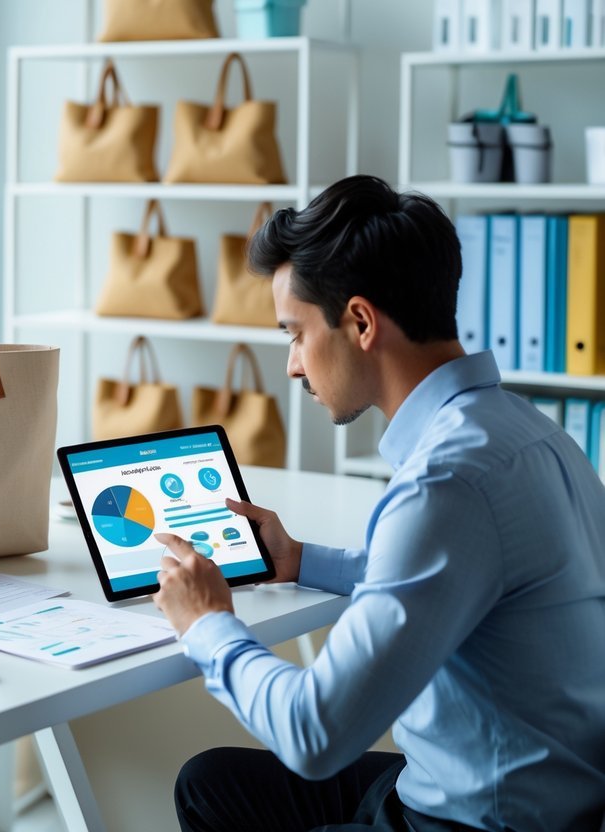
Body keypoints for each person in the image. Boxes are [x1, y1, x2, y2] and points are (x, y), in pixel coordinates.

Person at [152, 175, 605, 831]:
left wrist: (206, 624)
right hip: (536, 791)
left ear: (360, 322)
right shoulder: (527, 433)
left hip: (477, 821)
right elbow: (458, 577)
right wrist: (303, 560)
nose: (292, 367)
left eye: (294, 333)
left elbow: (314, 735)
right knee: (209, 784)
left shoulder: (445, 483)